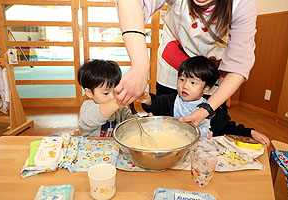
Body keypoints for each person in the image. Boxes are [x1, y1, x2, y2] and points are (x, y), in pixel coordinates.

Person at [115, 0, 257, 127]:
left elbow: (239, 65)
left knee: (214, 125)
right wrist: (140, 66)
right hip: (172, 66)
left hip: (210, 74)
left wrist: (206, 109)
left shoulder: (242, 4)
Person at [136, 56, 270, 146]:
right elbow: (157, 105)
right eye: (182, 80)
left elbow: (227, 128)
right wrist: (148, 100)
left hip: (203, 154)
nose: (185, 86)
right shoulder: (170, 101)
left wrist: (251, 132)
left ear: (206, 88)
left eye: (193, 82)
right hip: (174, 149)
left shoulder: (214, 108)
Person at [77, 59, 133, 137]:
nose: (112, 97)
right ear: (89, 92)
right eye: (106, 93)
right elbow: (99, 114)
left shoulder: (120, 109)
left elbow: (132, 121)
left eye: (115, 91)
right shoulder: (87, 108)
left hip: (112, 147)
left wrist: (146, 121)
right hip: (89, 147)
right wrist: (118, 102)